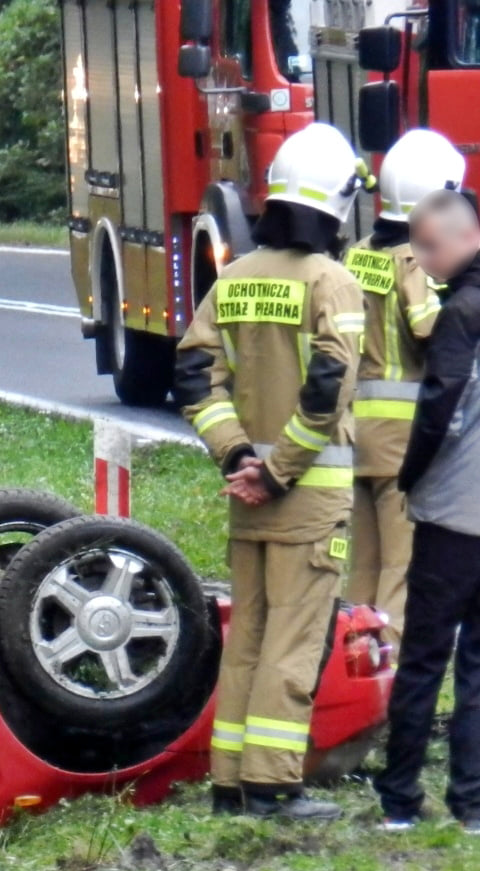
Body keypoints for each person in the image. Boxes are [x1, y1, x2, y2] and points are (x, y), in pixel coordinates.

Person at [175, 123, 366, 821]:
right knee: (295, 637)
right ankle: (274, 787)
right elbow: (330, 387)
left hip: (247, 500)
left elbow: (195, 375)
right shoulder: (332, 282)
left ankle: (230, 782)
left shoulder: (234, 278)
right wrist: (279, 470)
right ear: (336, 203)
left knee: (248, 638)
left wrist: (236, 457)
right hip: (306, 503)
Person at [374, 187, 480, 832]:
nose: (426, 265)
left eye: (428, 252)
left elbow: (440, 406)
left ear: (457, 240)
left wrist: (408, 478)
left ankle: (401, 800)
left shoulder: (461, 313)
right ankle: (471, 805)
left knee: (423, 657)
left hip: (453, 513)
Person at [344, 130, 462, 645]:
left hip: (353, 435)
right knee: (401, 565)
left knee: (362, 568)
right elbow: (430, 327)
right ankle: (383, 678)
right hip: (401, 440)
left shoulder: (358, 254)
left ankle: (348, 665)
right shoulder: (412, 260)